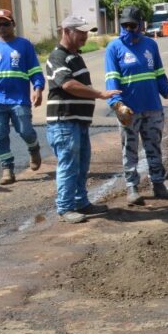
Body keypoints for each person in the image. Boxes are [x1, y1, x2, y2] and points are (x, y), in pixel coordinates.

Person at [105, 6, 168, 206]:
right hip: (129, 111)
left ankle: (158, 184)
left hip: (152, 107)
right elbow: (111, 80)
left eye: (133, 25)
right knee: (130, 149)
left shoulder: (151, 45)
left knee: (153, 147)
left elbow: (159, 75)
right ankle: (132, 187)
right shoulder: (114, 48)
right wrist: (117, 105)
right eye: (125, 25)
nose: (129, 29)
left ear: (141, 25)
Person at [44, 16, 122, 223]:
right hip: (64, 121)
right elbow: (68, 85)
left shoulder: (75, 56)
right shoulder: (57, 57)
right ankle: (65, 207)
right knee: (69, 164)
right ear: (67, 31)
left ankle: (80, 202)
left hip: (78, 121)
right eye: (81, 32)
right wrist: (99, 94)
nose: (85, 36)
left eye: (87, 32)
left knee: (82, 164)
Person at [0, 9, 45, 186]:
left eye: (5, 23)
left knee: (26, 131)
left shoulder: (24, 45)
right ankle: (7, 169)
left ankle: (34, 148)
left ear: (13, 24)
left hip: (19, 99)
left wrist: (38, 88)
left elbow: (35, 70)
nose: (2, 27)